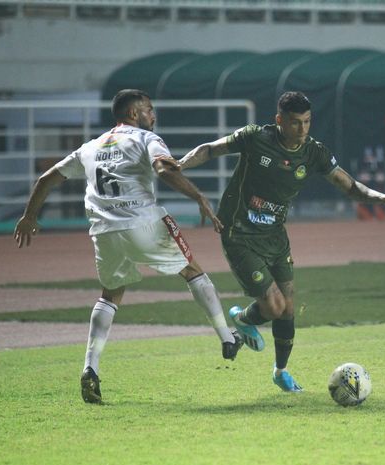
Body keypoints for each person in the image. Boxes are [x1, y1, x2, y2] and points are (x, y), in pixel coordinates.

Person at [13, 89, 243, 404]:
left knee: (111, 294)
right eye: (149, 109)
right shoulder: (147, 139)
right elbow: (164, 169)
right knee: (191, 270)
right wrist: (199, 197)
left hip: (104, 232)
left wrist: (29, 216)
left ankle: (90, 368)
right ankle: (228, 338)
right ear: (134, 114)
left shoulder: (90, 147)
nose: (154, 115)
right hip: (143, 223)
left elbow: (46, 179)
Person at [172, 91, 385, 392]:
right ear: (279, 120)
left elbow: (347, 184)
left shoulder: (313, 152)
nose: (302, 129)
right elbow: (209, 149)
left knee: (287, 308)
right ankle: (244, 319)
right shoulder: (255, 137)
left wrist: (384, 197)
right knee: (273, 306)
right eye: (295, 123)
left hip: (275, 235)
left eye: (307, 122)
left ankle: (280, 371)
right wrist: (179, 166)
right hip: (239, 232)